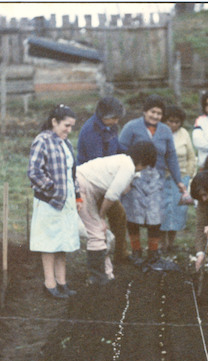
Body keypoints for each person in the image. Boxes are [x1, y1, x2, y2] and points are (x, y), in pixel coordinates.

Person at [118, 94, 187, 269]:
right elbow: (121, 151)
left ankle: (153, 253)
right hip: (134, 177)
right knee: (133, 214)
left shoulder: (165, 130)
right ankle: (136, 251)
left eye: (158, 113)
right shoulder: (131, 127)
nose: (155, 116)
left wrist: (178, 180)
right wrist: (125, 175)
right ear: (144, 111)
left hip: (157, 179)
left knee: (155, 216)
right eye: (152, 112)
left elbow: (171, 155)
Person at [77, 141, 157, 285]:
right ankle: (96, 276)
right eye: (145, 166)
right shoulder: (128, 167)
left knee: (102, 230)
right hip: (82, 186)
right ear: (142, 161)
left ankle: (107, 274)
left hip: (90, 186)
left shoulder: (123, 160)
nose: (143, 169)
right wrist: (101, 216)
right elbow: (112, 195)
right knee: (97, 230)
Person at [27, 104, 81, 299]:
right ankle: (49, 284)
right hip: (49, 202)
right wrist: (52, 189)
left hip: (66, 204)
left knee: (63, 242)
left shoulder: (66, 143)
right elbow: (34, 172)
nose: (69, 130)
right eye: (66, 125)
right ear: (54, 122)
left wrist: (77, 195)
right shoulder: (42, 141)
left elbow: (72, 173)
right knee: (49, 243)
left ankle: (62, 282)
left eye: (71, 126)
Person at [77, 96, 129, 263]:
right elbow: (97, 163)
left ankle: (121, 254)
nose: (116, 121)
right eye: (113, 118)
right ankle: (99, 260)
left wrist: (130, 154)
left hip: (107, 179)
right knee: (97, 222)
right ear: (103, 115)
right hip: (91, 182)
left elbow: (117, 147)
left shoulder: (111, 127)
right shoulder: (90, 131)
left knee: (119, 216)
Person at [161, 105, 196, 253]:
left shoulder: (184, 134)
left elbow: (191, 156)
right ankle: (162, 244)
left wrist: (187, 175)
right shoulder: (159, 132)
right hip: (162, 178)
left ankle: (171, 243)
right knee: (162, 210)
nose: (173, 124)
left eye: (177, 122)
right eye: (170, 121)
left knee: (177, 211)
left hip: (180, 179)